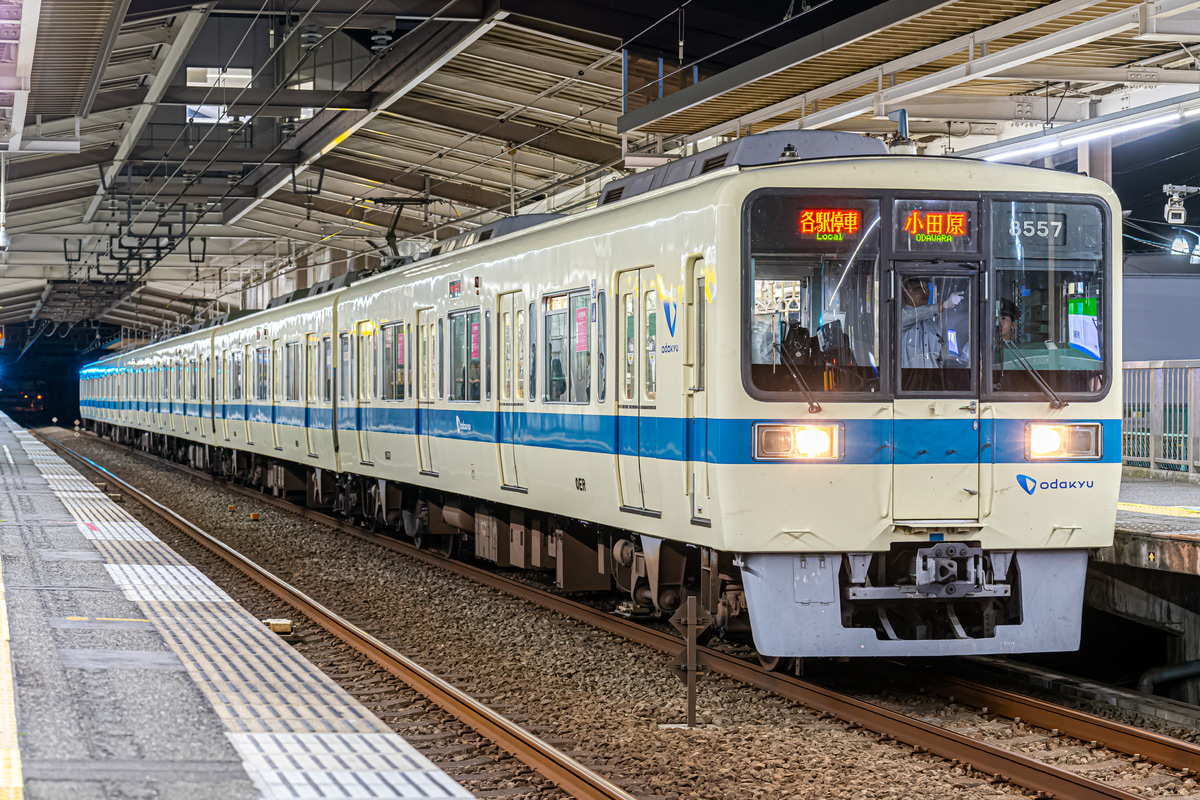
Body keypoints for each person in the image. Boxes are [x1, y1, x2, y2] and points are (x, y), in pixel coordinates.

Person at [900, 277, 962, 368]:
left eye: (927, 288)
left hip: (931, 379)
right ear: (906, 293)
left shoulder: (932, 325)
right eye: (919, 288)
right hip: (908, 380)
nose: (925, 292)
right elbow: (917, 314)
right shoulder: (900, 318)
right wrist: (943, 306)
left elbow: (940, 356)